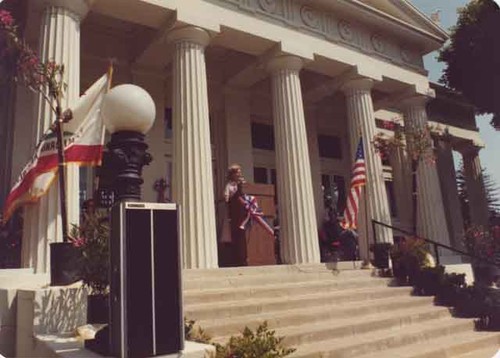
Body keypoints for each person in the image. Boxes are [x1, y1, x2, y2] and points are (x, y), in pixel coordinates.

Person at [223, 164, 248, 266]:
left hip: (245, 214)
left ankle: (246, 258)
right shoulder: (229, 185)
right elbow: (226, 198)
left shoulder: (242, 183)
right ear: (232, 174)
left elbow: (248, 193)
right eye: (237, 172)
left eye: (240, 171)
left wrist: (243, 184)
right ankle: (238, 259)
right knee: (236, 237)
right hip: (235, 215)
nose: (239, 173)